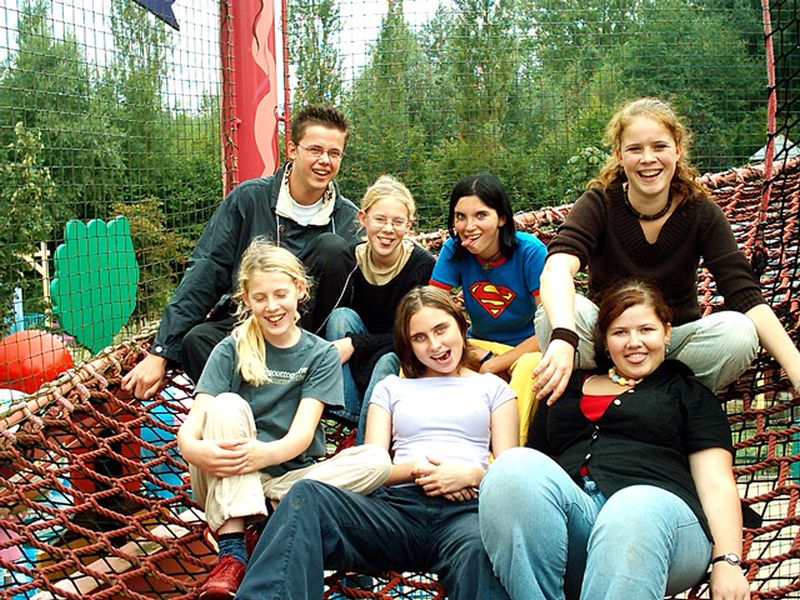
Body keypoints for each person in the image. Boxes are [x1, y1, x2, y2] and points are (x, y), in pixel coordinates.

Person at [236, 286, 519, 600]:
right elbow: (373, 467)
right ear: (408, 345)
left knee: (484, 551)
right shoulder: (392, 388)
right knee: (306, 496)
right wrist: (418, 470)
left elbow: (511, 475)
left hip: (464, 515)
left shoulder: (493, 389)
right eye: (420, 337)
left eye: (441, 329)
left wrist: (471, 476)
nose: (435, 345)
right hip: (396, 511)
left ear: (461, 326)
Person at [480, 280, 750, 600]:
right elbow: (537, 474)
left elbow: (717, 483)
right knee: (512, 466)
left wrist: (727, 561)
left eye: (646, 330)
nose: (634, 342)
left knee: (631, 507)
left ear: (666, 333)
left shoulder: (687, 392)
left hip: (663, 526)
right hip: (579, 527)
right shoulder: (563, 388)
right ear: (605, 342)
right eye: (620, 332)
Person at [532, 97, 800, 404]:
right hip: (606, 343)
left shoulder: (701, 213)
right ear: (620, 156)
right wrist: (564, 336)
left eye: (659, 146)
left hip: (670, 348)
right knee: (553, 315)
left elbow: (745, 295)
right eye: (635, 149)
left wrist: (795, 367)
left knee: (739, 331)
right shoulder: (599, 204)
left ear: (677, 150)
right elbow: (556, 269)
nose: (648, 158)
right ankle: (599, 389)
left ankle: (655, 399)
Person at [176, 238, 391, 599]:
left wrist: (260, 455)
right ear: (246, 300)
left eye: (280, 294)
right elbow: (193, 424)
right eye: (260, 298)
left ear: (299, 290)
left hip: (287, 474)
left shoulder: (320, 354)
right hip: (225, 472)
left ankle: (264, 506)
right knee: (226, 404)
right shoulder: (231, 348)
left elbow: (301, 436)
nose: (272, 306)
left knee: (376, 460)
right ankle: (232, 553)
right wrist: (193, 451)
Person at [122, 104, 359, 395]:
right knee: (197, 341)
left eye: (334, 153)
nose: (324, 161)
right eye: (315, 150)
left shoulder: (348, 219)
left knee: (332, 248)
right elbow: (207, 269)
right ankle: (259, 407)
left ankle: (294, 379)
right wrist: (161, 351)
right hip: (250, 323)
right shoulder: (248, 199)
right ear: (292, 149)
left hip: (308, 340)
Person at [430, 173, 547, 441]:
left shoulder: (530, 252)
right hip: (477, 345)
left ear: (501, 218)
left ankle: (508, 449)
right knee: (421, 358)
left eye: (480, 215)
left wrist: (496, 364)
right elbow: (430, 312)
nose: (468, 226)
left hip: (528, 347)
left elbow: (549, 328)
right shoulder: (454, 250)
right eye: (460, 217)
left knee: (531, 366)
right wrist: (479, 356)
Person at [324, 175, 435, 435]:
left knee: (387, 360)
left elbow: (415, 335)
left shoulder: (421, 266)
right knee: (340, 317)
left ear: (409, 225)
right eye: (380, 220)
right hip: (358, 356)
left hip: (399, 352)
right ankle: (344, 414)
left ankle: (366, 441)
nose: (388, 229)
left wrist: (355, 343)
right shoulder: (350, 259)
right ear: (363, 219)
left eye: (397, 222)